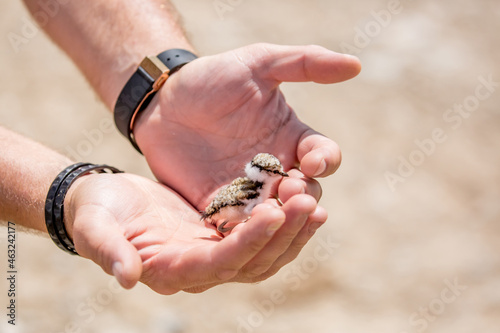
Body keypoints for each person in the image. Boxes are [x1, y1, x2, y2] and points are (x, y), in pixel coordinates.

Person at [0, 0, 361, 294]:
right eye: (271, 172)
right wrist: (65, 191)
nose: (278, 175)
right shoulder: (250, 189)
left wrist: (162, 91)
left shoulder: (254, 187)